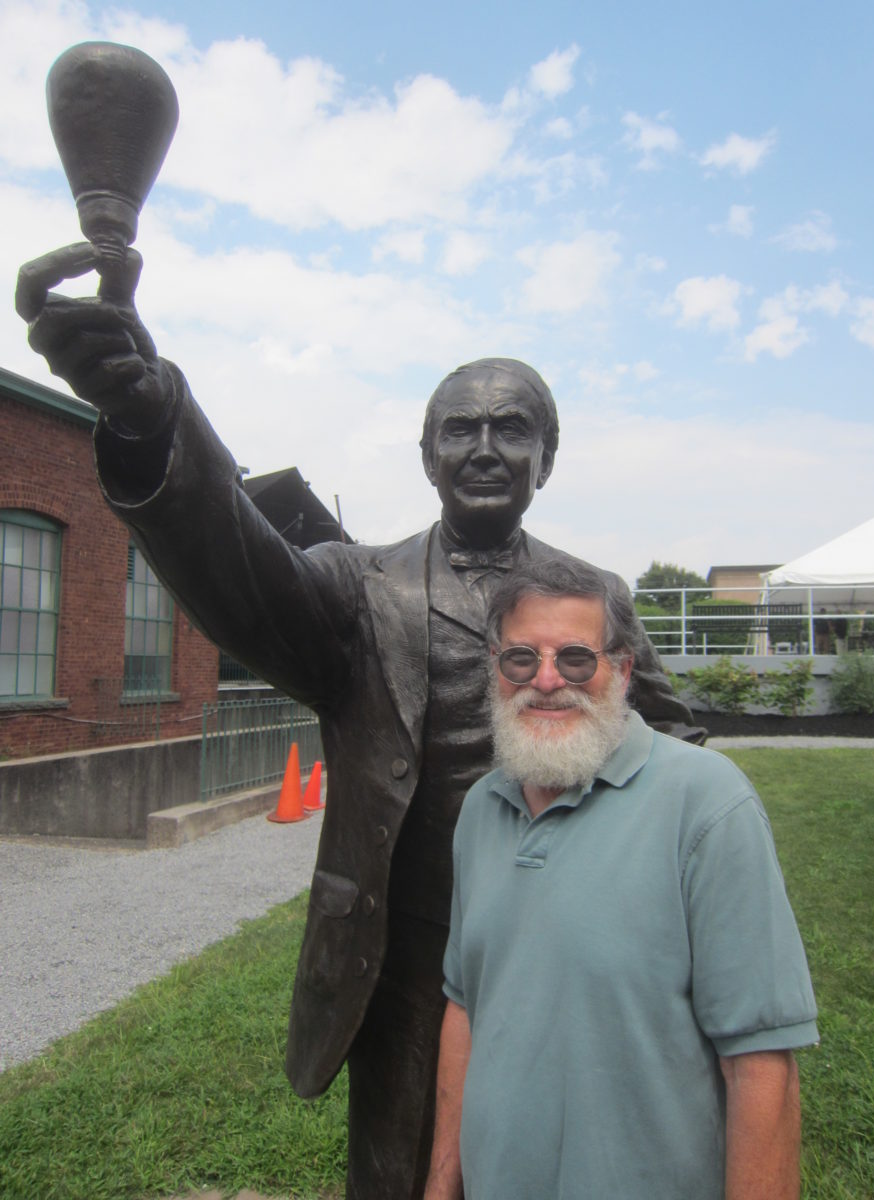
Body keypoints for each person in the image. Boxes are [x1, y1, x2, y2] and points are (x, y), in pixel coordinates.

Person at [17, 244, 704, 1199]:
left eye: (513, 429)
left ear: (547, 457)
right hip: (405, 957)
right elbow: (238, 566)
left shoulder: (598, 597)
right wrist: (150, 418)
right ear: (426, 457)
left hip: (567, 943)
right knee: (400, 1168)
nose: (484, 449)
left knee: (560, 1156)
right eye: (459, 430)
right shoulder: (355, 589)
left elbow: (679, 749)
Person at [426, 557, 818, 1200]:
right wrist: (442, 1187)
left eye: (577, 659)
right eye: (521, 658)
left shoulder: (708, 804)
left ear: (624, 669)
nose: (547, 681)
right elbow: (466, 1007)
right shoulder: (480, 809)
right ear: (496, 670)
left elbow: (761, 1062)